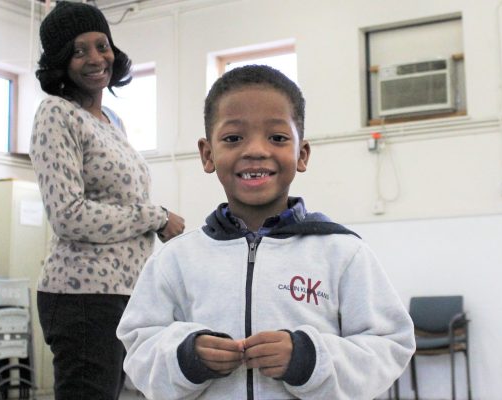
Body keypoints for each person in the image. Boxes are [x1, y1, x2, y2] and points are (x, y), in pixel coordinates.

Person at [117, 65, 415, 399]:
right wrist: (186, 357)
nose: (256, 150)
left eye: (277, 137)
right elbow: (139, 345)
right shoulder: (175, 260)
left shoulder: (342, 253)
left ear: (301, 154)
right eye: (233, 138)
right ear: (207, 154)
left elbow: (389, 344)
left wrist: (308, 359)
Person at [29, 2, 185, 399]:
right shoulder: (56, 114)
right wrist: (155, 216)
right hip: (82, 298)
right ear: (60, 62)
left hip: (121, 293)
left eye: (102, 45)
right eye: (79, 51)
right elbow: (69, 216)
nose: (96, 59)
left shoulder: (112, 121)